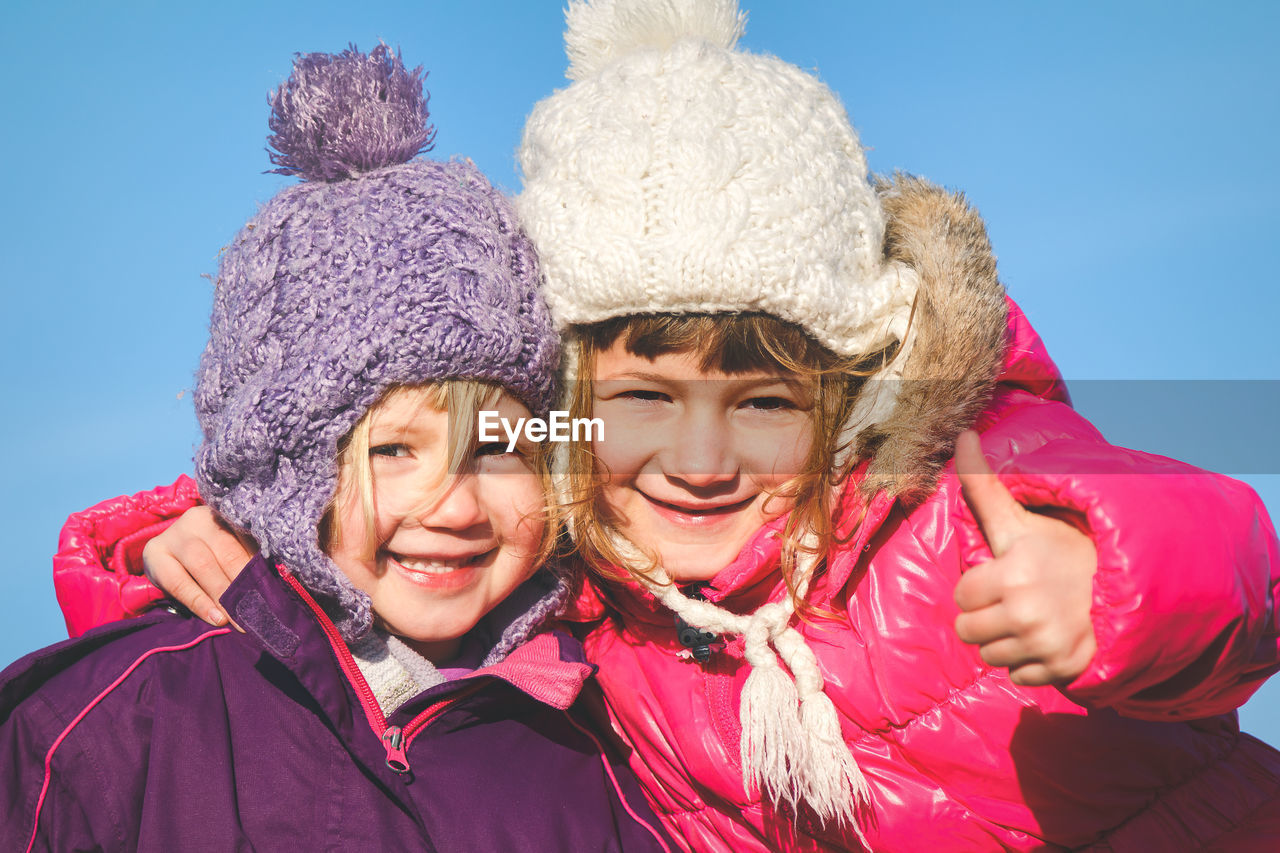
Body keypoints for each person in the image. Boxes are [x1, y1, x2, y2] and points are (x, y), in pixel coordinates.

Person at [44, 3, 1280, 851]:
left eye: (759, 407)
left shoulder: (955, 492)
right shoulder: (599, 595)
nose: (698, 458)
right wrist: (183, 528)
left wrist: (1106, 581)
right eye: (640, 403)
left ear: (842, 398)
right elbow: (416, 500)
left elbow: (1221, 548)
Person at [0, 44, 671, 853]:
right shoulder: (115, 723)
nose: (454, 506)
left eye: (499, 446)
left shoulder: (590, 761)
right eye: (391, 451)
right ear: (289, 476)